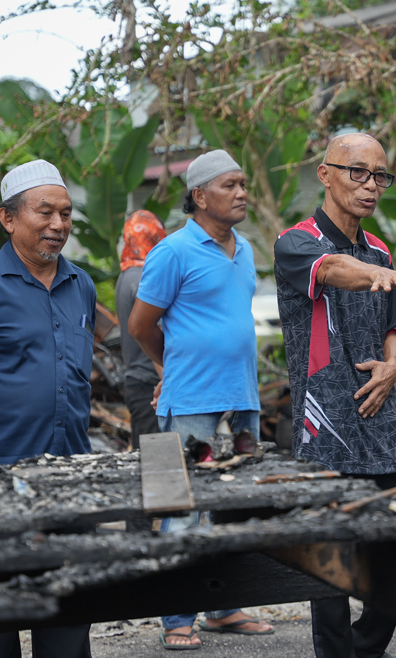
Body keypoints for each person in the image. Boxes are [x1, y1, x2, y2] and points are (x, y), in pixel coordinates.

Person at [274, 133, 396, 658]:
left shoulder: (380, 248)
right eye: (357, 172)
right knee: (331, 555)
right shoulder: (296, 242)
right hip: (326, 418)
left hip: (380, 407)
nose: (370, 186)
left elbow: (395, 329)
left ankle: (365, 647)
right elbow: (337, 271)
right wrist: (380, 275)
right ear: (325, 174)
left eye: (380, 176)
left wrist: (393, 366)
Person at [0, 159, 94, 658]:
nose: (58, 225)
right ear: (9, 219)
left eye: (66, 214)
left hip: (69, 480)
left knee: (68, 625)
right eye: (44, 212)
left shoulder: (82, 286)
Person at [127, 149, 273, 649]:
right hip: (189, 399)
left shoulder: (247, 249)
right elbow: (141, 325)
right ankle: (176, 618)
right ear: (200, 195)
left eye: (243, 184)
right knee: (182, 506)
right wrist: (168, 367)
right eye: (230, 185)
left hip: (242, 395)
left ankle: (224, 608)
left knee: (230, 506)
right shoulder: (172, 252)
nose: (242, 193)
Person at [115, 210, 166, 449]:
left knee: (143, 457)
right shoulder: (144, 278)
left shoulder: (126, 275)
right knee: (156, 459)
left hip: (136, 381)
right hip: (150, 383)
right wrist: (168, 380)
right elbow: (149, 330)